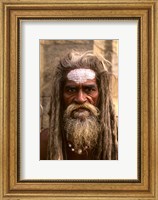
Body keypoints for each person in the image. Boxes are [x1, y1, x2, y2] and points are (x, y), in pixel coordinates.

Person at [40, 50, 118, 160]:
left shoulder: (121, 140)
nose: (80, 99)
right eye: (71, 90)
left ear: (101, 95)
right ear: (60, 96)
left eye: (89, 89)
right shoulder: (44, 142)